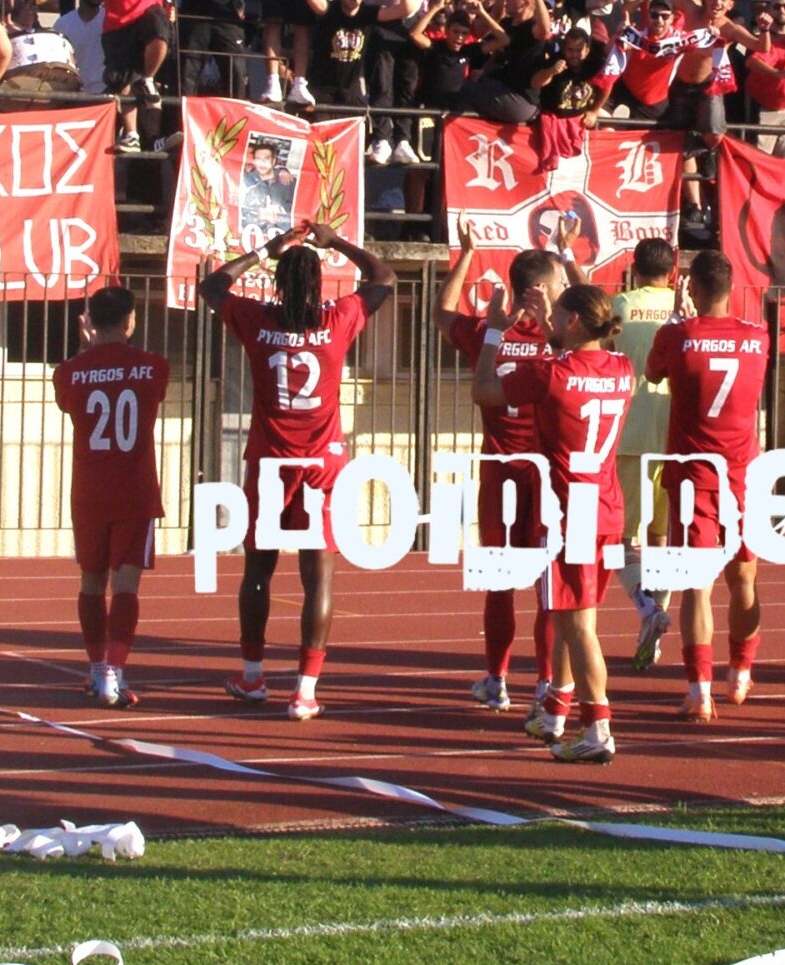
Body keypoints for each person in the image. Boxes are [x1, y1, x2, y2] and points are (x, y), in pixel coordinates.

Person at [197, 220, 397, 720]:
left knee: (258, 570)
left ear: (279, 283)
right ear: (318, 284)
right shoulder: (341, 316)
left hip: (270, 459)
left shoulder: (255, 319)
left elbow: (212, 285)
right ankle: (305, 689)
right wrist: (339, 244)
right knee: (319, 576)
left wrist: (267, 248)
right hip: (323, 462)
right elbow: (384, 279)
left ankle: (251, 675)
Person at [475, 281, 634, 764]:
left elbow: (484, 391)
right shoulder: (623, 368)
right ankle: (556, 711)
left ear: (573, 321)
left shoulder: (549, 373)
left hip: (569, 507)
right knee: (568, 614)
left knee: (580, 623)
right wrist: (552, 329)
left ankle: (599, 728)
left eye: (559, 313)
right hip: (606, 502)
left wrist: (493, 334)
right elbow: (580, 366)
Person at [441, 230, 574, 713]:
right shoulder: (560, 341)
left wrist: (468, 256)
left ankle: (496, 680)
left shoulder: (487, 334)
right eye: (558, 281)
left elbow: (442, 315)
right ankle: (542, 680)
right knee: (546, 584)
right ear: (542, 289)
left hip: (499, 472)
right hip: (544, 475)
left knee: (500, 581)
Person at [647, 251, 772, 719]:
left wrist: (680, 317)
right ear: (731, 288)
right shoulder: (758, 337)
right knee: (744, 577)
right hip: (742, 472)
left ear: (692, 287)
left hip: (694, 476)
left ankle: (699, 689)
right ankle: (740, 672)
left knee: (696, 585)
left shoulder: (677, 334)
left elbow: (653, 373)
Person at [49, 283, 171, 709]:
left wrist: (87, 355)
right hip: (134, 490)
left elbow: (69, 400)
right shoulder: (153, 366)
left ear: (89, 323)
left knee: (91, 581)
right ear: (131, 320)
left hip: (89, 491)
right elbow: (151, 393)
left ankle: (97, 669)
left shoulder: (68, 371)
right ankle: (114, 674)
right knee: (125, 584)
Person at [607, 240, 683, 672]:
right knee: (662, 538)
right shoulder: (684, 306)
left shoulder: (622, 304)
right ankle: (657, 626)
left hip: (631, 432)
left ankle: (645, 609)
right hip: (673, 435)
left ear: (634, 270)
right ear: (672, 272)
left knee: (622, 538)